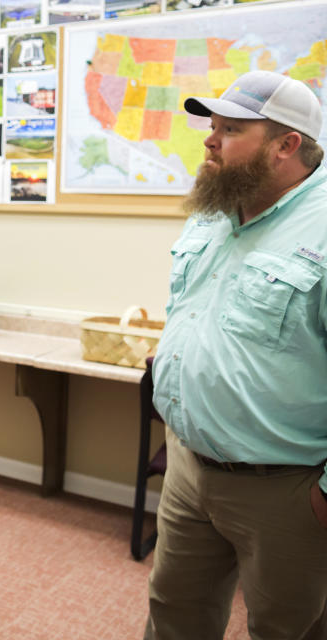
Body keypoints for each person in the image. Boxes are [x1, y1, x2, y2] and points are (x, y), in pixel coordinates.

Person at [146, 70, 327, 640]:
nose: (209, 139)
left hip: (286, 488)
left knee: (285, 629)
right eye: (212, 125)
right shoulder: (217, 207)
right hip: (189, 466)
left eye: (230, 128)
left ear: (285, 144)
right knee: (174, 615)